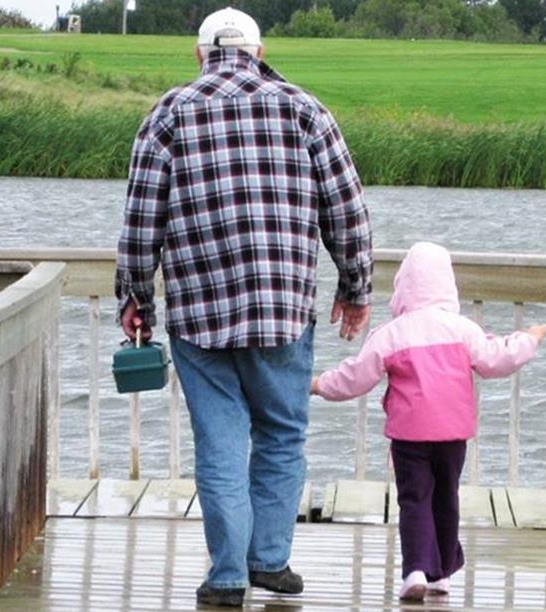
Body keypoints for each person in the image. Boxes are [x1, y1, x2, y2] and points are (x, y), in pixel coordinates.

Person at [114, 6, 373, 608]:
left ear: (199, 54)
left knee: (220, 443)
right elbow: (348, 211)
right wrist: (354, 289)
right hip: (283, 310)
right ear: (260, 51)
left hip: (199, 317)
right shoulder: (305, 109)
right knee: (282, 436)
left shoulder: (169, 113)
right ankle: (270, 561)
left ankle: (228, 575)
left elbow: (139, 219)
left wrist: (135, 298)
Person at [311, 242, 546, 602]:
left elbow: (355, 378)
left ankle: (416, 570)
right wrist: (529, 338)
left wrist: (317, 385)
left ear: (405, 286)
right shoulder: (463, 329)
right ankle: (441, 573)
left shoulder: (392, 334)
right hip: (453, 434)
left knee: (415, 498)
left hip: (409, 435)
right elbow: (497, 358)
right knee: (445, 496)